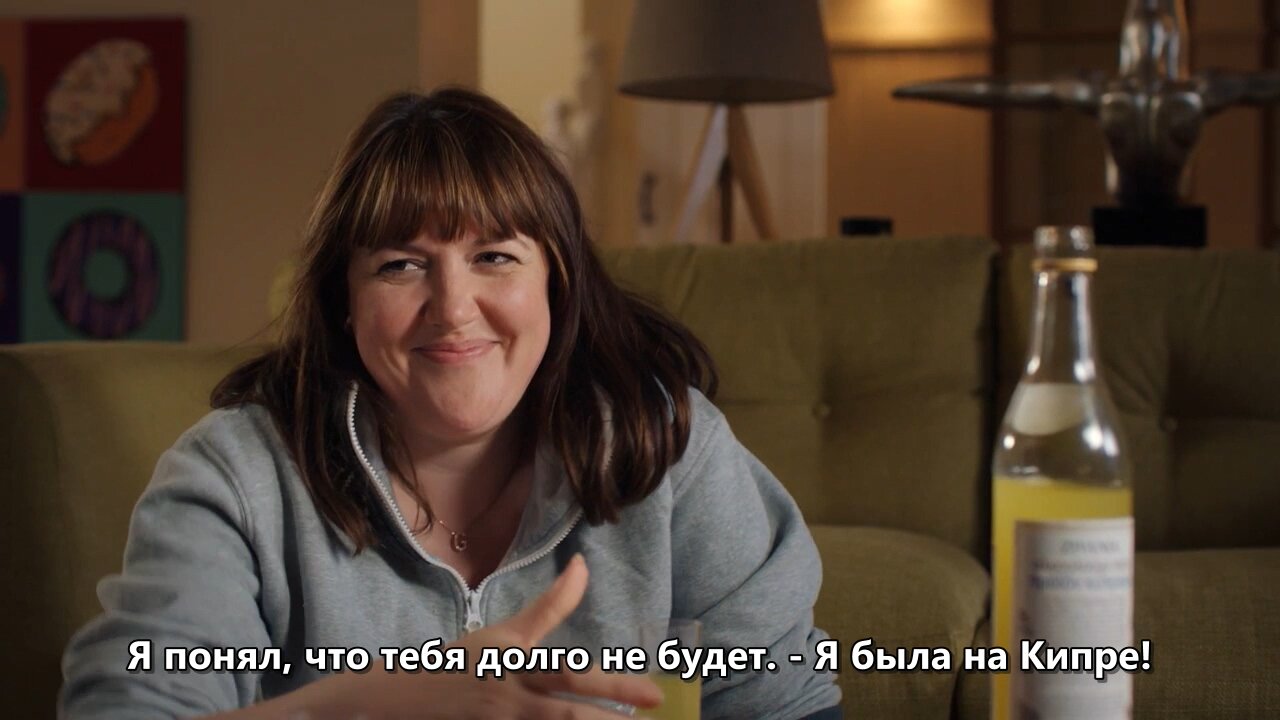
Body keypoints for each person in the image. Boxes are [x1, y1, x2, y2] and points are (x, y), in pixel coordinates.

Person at [59, 88, 842, 719]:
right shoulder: (236, 477)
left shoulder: (672, 449)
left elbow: (787, 704)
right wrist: (360, 706)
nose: (455, 309)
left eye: (494, 256)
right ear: (344, 301)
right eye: (401, 265)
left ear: (557, 283)